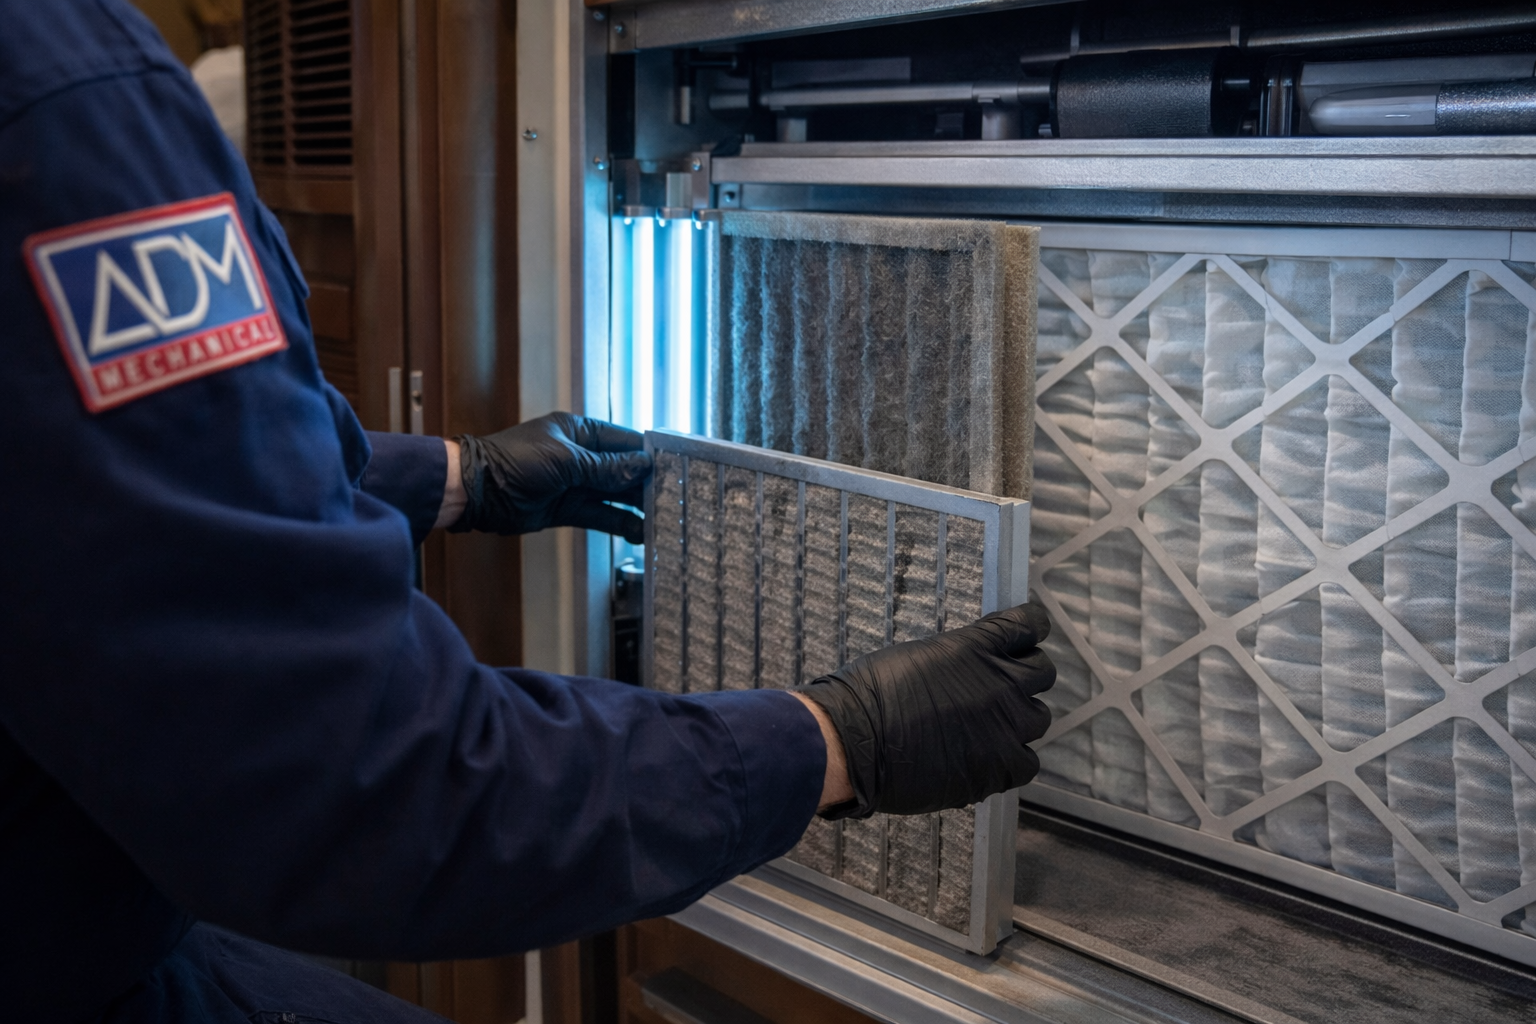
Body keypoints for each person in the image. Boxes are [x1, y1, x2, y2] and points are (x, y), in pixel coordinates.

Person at [0, 3, 1056, 1022]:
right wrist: (831, 744)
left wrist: (450, 477)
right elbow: (368, 786)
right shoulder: (65, 101)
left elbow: (93, 509)